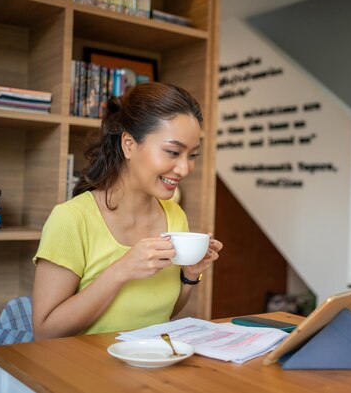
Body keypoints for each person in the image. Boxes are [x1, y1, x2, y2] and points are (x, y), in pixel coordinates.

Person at [32, 82, 222, 340]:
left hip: (149, 368)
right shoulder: (71, 219)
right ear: (129, 144)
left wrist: (189, 276)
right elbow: (45, 332)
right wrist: (122, 271)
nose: (185, 169)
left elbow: (162, 314)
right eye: (173, 152)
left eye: (192, 155)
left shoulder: (175, 216)